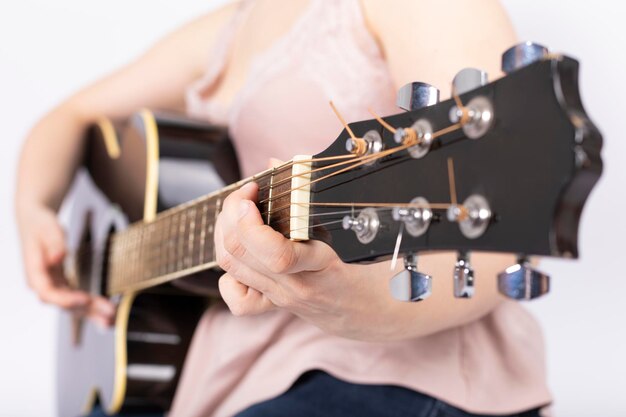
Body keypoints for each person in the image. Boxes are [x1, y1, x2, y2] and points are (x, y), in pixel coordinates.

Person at [16, 0, 551, 416]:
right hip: (217, 380)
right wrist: (34, 209)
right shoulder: (230, 26)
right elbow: (70, 117)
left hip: (397, 370)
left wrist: (349, 301)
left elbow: (497, 236)